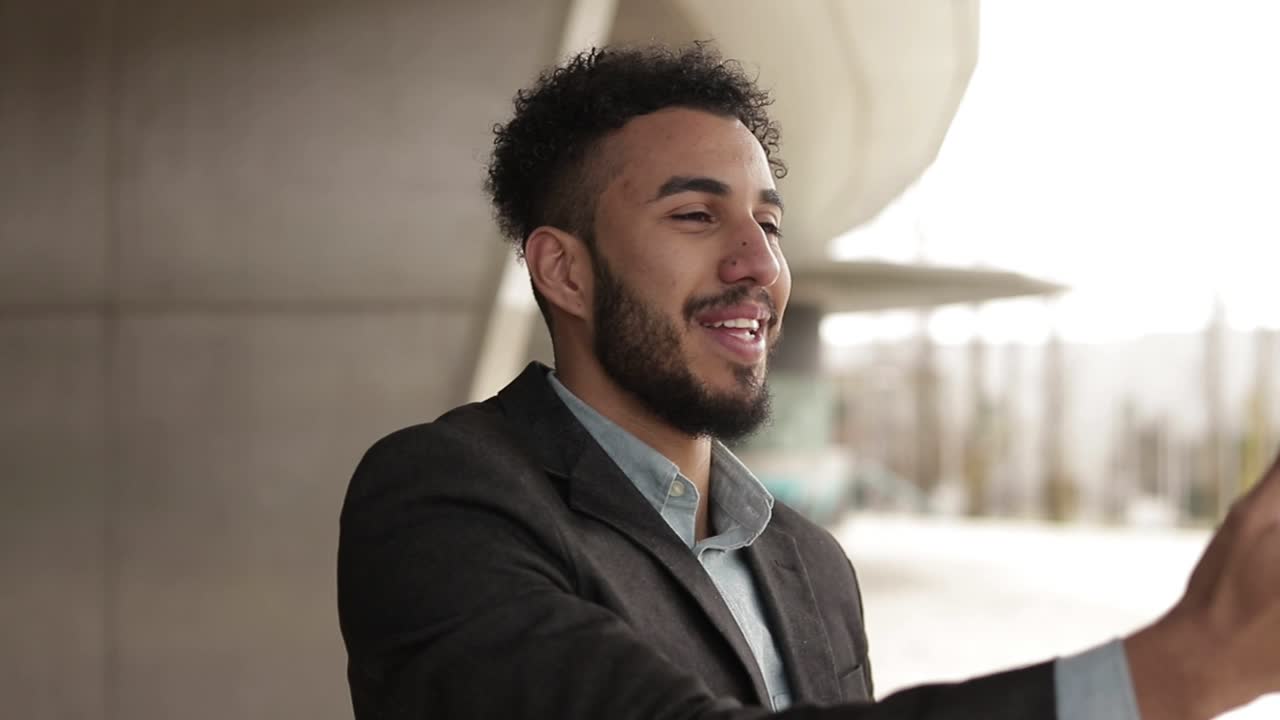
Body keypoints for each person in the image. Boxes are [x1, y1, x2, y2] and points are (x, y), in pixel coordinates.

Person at [337, 43, 1280, 719]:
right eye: (698, 216)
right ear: (566, 272)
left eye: (771, 224)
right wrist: (1167, 677)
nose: (759, 263)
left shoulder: (810, 563)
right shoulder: (442, 501)